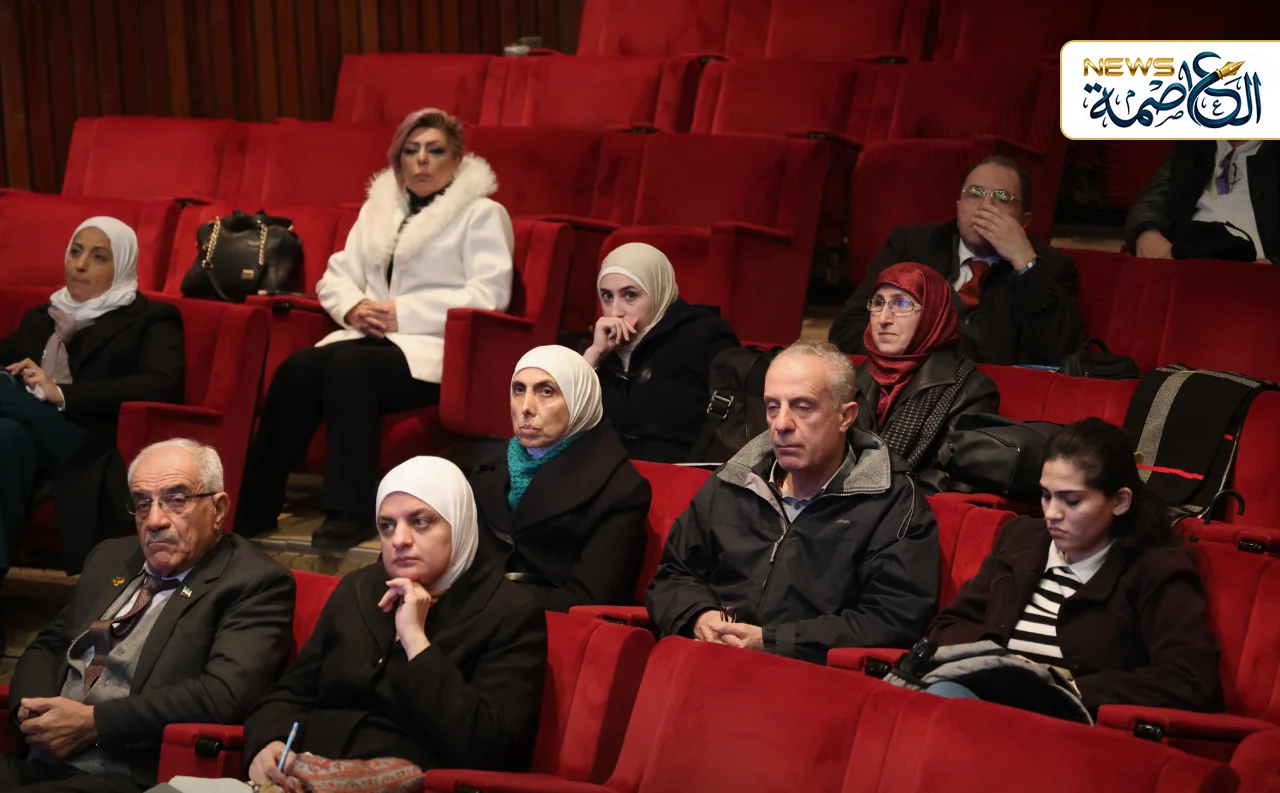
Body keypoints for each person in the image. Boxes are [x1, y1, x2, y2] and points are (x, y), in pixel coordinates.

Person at [235, 107, 515, 550]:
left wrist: (403, 313)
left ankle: (349, 513)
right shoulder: (378, 210)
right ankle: (251, 509)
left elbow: (490, 293)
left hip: (434, 347)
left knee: (351, 371)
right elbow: (336, 277)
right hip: (369, 337)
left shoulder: (482, 214)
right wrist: (354, 307)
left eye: (435, 151)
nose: (421, 160)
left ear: (458, 160)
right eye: (411, 150)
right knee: (297, 369)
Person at [3, 439, 295, 793]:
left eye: (177, 500)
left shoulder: (253, 581)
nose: (155, 520)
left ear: (218, 509)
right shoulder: (111, 557)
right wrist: (31, 709)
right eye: (143, 504)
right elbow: (50, 645)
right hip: (36, 759)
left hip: (123, 771)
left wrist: (95, 723)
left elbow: (223, 693)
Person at [243, 457, 547, 786]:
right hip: (305, 776)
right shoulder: (358, 589)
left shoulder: (508, 612)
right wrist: (270, 742)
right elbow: (290, 694)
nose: (399, 539)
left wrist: (416, 640)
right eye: (387, 526)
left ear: (458, 525)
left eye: (420, 522)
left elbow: (490, 748)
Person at [646, 339, 939, 664]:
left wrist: (771, 642)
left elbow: (892, 618)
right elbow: (674, 575)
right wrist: (699, 616)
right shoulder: (734, 480)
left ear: (845, 416)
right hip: (707, 661)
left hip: (807, 677)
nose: (781, 424)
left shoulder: (891, 500)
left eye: (803, 407)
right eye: (772, 407)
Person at [924, 418, 1223, 715]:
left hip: (1072, 722)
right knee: (941, 700)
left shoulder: (1155, 568)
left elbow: (1190, 678)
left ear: (1120, 501)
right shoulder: (1020, 539)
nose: (1051, 513)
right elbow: (949, 625)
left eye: (1072, 501)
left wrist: (1067, 689)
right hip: (987, 697)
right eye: (1046, 496)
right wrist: (1002, 664)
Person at [0, 217, 184, 590]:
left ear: (123, 266)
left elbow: (159, 384)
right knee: (6, 435)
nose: (80, 265)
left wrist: (62, 393)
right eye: (76, 252)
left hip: (89, 444)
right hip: (26, 438)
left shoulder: (151, 319)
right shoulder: (42, 318)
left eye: (98, 257)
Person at [829, 156, 1082, 367]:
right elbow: (847, 330)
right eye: (974, 194)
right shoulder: (909, 246)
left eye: (1002, 198)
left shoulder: (1050, 268)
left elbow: (1058, 357)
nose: (985, 206)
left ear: (1024, 221)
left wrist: (1025, 265)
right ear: (959, 206)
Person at [470, 345, 651, 612]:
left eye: (546, 391)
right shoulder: (488, 466)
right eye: (518, 390)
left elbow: (591, 602)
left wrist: (487, 595)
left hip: (543, 624)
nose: (526, 407)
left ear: (579, 401)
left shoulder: (621, 489)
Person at [581, 243, 739, 462]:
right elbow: (559, 425)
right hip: (606, 474)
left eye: (630, 295)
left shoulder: (705, 337)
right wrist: (593, 356)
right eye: (607, 296)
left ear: (658, 291)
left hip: (681, 474)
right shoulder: (600, 347)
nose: (615, 311)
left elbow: (733, 427)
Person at [852, 262, 999, 495]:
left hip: (908, 510)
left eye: (902, 304)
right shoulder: (851, 377)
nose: (883, 318)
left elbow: (950, 481)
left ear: (932, 313)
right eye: (878, 303)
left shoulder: (972, 390)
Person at [1126, 140, 1277, 263]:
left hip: (1255, 270)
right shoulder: (1193, 144)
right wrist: (1147, 232)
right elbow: (1150, 204)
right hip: (1185, 266)